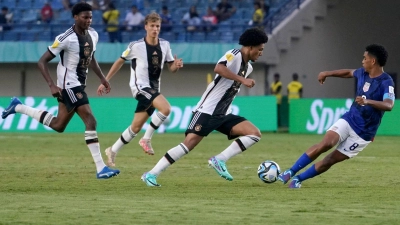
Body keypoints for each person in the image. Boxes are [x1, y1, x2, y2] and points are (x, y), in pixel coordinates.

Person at [1, 2, 120, 179]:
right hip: (68, 85)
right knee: (90, 120)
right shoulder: (66, 38)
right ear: (75, 17)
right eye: (85, 17)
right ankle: (101, 168)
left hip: (79, 84)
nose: (88, 20)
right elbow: (41, 62)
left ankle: (19, 107)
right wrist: (51, 84)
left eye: (90, 17)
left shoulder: (93, 35)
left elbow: (91, 57)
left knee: (58, 125)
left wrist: (103, 78)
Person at [141, 27, 269, 187]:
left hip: (223, 113)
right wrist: (242, 80)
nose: (261, 53)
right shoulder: (234, 55)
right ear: (250, 47)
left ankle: (220, 159)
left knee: (254, 133)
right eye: (260, 49)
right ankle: (151, 174)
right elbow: (219, 68)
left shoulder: (248, 67)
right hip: (207, 110)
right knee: (188, 144)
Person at [278, 44, 395, 188]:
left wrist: (367, 101)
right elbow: (348, 73)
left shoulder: (386, 81)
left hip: (363, 134)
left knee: (330, 160)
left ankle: (298, 179)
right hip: (349, 119)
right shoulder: (362, 73)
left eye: (364, 58)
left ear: (373, 61)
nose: (362, 61)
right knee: (325, 144)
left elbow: (389, 105)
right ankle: (290, 171)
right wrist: (327, 73)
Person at [96, 12, 183, 167]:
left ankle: (112, 150)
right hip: (140, 87)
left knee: (135, 127)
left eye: (157, 26)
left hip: (154, 88)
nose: (155, 29)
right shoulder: (136, 46)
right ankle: (146, 139)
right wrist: (105, 80)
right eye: (152, 26)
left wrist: (175, 66)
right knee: (166, 108)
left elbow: (171, 67)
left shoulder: (165, 45)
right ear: (146, 27)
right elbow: (119, 62)